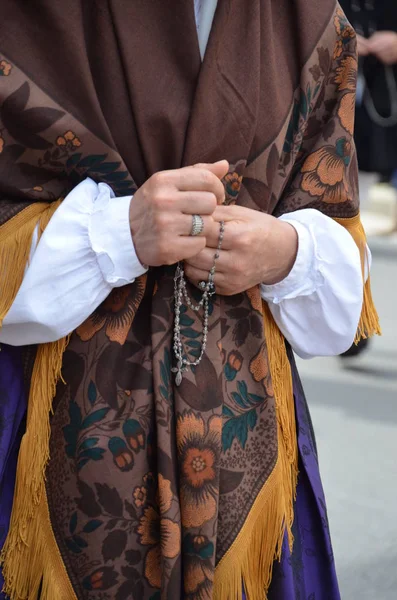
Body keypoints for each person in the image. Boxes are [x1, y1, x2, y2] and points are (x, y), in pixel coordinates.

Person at [0, 2, 380, 599]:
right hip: (47, 432)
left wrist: (285, 252)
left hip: (248, 462)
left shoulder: (307, 19)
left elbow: (338, 246)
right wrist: (117, 235)